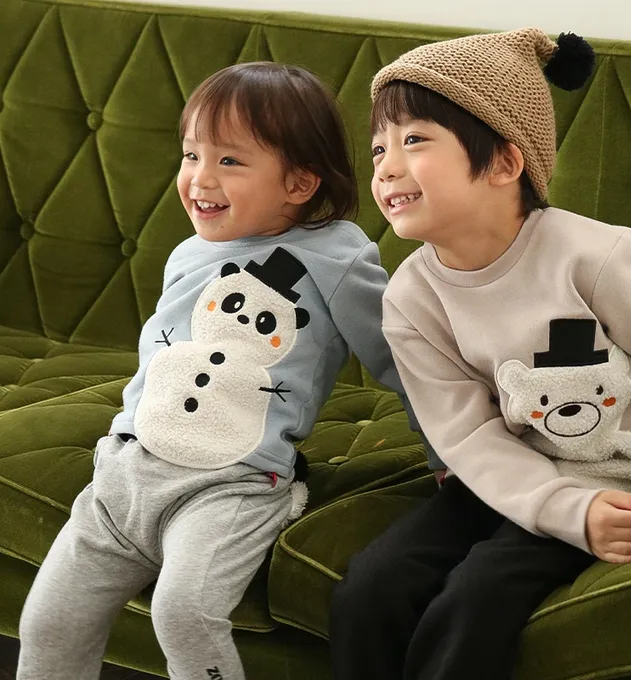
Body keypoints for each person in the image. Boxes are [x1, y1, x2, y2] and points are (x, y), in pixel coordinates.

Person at [17, 62, 427, 680]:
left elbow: (404, 358)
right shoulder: (189, 252)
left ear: (299, 181)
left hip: (231, 485)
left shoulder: (338, 257)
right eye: (191, 155)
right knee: (47, 624)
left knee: (183, 612)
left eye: (229, 160)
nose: (200, 178)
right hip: (127, 472)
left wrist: (449, 452)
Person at [330, 28, 631, 680]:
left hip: (623, 482)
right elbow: (466, 436)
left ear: (502, 163)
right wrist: (552, 504)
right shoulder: (410, 297)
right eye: (379, 147)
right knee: (371, 588)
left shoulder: (594, 256)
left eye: (414, 140)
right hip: (501, 479)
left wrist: (581, 511)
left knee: (477, 599)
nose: (385, 167)